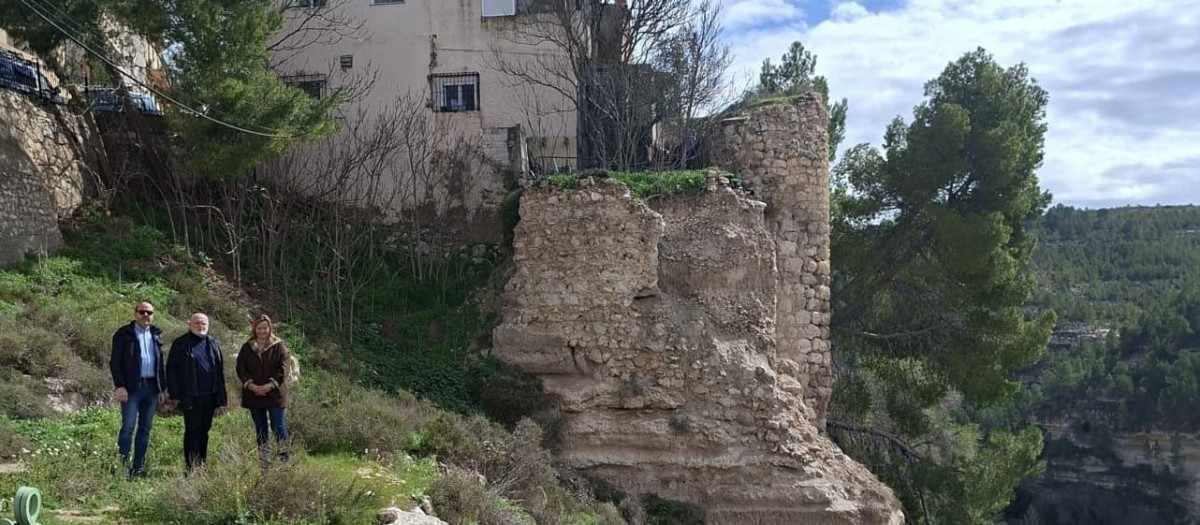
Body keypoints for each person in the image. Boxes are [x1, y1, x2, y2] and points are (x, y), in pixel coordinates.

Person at [109, 301, 166, 478]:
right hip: (131, 388)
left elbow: (160, 364)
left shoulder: (156, 335)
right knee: (128, 427)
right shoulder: (123, 334)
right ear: (135, 314)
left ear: (153, 315)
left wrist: (162, 388)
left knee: (145, 428)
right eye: (142, 312)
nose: (145, 315)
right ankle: (123, 467)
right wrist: (120, 386)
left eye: (149, 312)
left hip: (151, 388)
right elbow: (115, 362)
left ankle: (138, 467)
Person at [166, 313, 228, 472]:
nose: (201, 326)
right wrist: (175, 395)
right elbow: (171, 370)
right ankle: (191, 467)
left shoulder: (212, 342)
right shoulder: (181, 343)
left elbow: (219, 372)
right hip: (191, 396)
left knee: (205, 432)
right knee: (192, 431)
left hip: (210, 396)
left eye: (203, 323)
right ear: (190, 324)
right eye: (197, 323)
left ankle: (202, 464)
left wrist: (221, 399)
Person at [236, 314, 292, 463]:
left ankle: (284, 460)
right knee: (261, 429)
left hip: (275, 394)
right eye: (259, 328)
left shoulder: (279, 346)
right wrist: (251, 384)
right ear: (255, 329)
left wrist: (270, 385)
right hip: (254, 395)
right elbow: (241, 368)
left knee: (278, 426)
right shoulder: (247, 347)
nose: (262, 331)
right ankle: (264, 461)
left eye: (265, 328)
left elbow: (284, 368)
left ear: (270, 329)